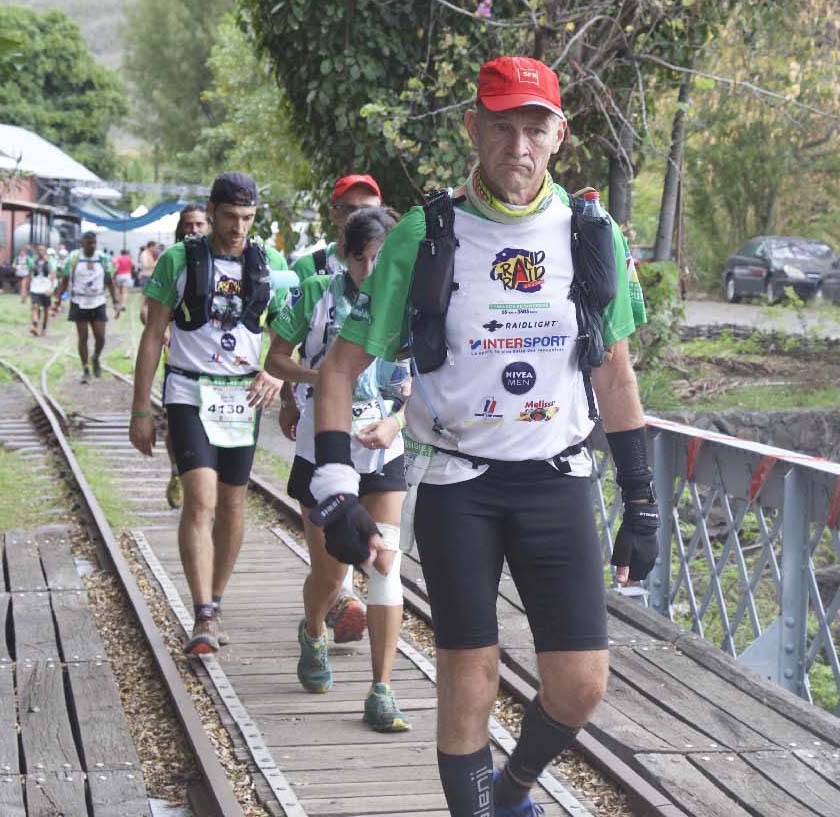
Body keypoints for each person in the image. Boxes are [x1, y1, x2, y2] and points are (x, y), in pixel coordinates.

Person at [305, 56, 656, 817]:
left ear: (560, 136)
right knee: (470, 676)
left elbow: (617, 374)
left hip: (556, 476)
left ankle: (511, 792)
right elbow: (338, 369)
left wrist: (643, 497)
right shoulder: (424, 235)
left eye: (535, 128)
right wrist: (334, 488)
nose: (518, 147)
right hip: (458, 480)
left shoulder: (591, 235)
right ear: (473, 127)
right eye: (502, 125)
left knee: (581, 682)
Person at [265, 206, 410, 731]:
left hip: (383, 452)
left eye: (383, 260)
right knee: (332, 571)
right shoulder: (318, 295)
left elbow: (422, 387)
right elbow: (274, 358)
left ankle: (382, 689)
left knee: (386, 565)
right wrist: (323, 379)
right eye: (364, 260)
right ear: (347, 257)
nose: (374, 273)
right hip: (322, 452)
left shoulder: (412, 301)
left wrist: (396, 421)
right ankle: (312, 633)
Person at [129, 172, 287, 655]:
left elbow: (290, 326)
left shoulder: (270, 262)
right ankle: (202, 612)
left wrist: (276, 373)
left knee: (233, 502)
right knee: (201, 498)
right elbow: (153, 333)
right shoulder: (179, 259)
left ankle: (216, 599)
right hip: (189, 391)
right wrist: (140, 409)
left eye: (248, 218)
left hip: (241, 397)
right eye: (230, 217)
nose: (238, 227)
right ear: (212, 211)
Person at [283, 173, 384, 640]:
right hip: (320, 427)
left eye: (369, 206)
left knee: (386, 561)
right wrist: (299, 390)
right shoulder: (313, 273)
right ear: (335, 216)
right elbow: (288, 349)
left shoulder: (395, 283)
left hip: (379, 440)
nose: (359, 215)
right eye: (350, 209)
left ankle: (381, 684)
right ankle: (320, 618)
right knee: (328, 560)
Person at [140, 202, 213, 511]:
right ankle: (176, 471)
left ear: (208, 226)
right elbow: (147, 309)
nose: (193, 230)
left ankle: (204, 483)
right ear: (180, 228)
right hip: (177, 361)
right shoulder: (172, 260)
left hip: (217, 367)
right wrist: (161, 328)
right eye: (188, 225)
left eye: (199, 224)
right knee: (176, 425)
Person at [56, 231, 118, 383]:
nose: (92, 246)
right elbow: (65, 280)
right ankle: (85, 368)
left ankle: (96, 356)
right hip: (79, 301)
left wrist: (116, 301)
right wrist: (58, 298)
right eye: (89, 243)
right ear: (82, 243)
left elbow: (109, 281)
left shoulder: (102, 258)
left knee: (100, 336)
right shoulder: (74, 258)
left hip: (98, 301)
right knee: (83, 337)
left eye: (94, 243)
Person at [28, 245, 56, 336]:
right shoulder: (33, 261)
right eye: (39, 250)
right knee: (35, 307)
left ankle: (44, 328)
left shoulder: (50, 261)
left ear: (45, 251)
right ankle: (35, 324)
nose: (40, 251)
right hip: (35, 287)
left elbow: (53, 275)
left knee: (46, 310)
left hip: (45, 287)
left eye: (42, 250)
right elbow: (31, 273)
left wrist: (51, 288)